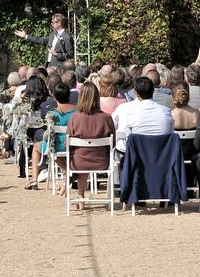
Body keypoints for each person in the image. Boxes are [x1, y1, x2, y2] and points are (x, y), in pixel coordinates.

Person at [65, 82, 116, 210]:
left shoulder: (74, 118)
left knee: (81, 156)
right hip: (101, 162)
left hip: (78, 163)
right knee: (85, 156)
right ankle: (80, 196)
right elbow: (113, 142)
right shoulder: (107, 118)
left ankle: (80, 195)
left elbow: (68, 144)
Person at [25, 83, 76, 191]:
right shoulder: (78, 111)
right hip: (75, 145)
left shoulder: (52, 113)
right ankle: (68, 171)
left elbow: (40, 126)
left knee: (36, 147)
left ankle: (34, 180)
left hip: (58, 147)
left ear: (55, 97)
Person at [125, 76, 174, 142]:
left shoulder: (131, 114)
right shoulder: (166, 111)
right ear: (153, 90)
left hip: (139, 151)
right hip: (161, 151)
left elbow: (128, 140)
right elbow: (171, 137)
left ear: (135, 92)